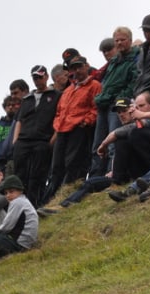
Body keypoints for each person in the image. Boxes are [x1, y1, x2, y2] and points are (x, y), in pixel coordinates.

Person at [43, 56, 101, 205]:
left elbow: (95, 108)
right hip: (62, 130)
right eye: (73, 68)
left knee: (72, 163)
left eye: (79, 67)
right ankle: (51, 198)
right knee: (56, 165)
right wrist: (57, 125)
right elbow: (59, 111)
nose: (77, 71)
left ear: (87, 66)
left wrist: (85, 121)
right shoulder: (68, 90)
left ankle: (66, 195)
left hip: (78, 129)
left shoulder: (94, 85)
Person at [91, 26, 140, 177]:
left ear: (130, 41)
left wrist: (119, 99)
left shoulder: (136, 57)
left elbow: (133, 82)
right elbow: (107, 84)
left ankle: (111, 174)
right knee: (98, 144)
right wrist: (100, 98)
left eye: (123, 40)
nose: (119, 43)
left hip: (117, 105)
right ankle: (95, 177)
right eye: (116, 40)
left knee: (113, 141)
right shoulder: (113, 61)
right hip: (104, 105)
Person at [12, 65, 60, 207]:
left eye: (40, 77)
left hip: (42, 141)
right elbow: (19, 120)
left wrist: (53, 138)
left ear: (46, 77)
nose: (37, 80)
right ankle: (18, 207)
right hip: (23, 141)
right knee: (19, 175)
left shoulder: (56, 96)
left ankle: (34, 206)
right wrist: (16, 139)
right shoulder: (27, 99)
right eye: (35, 77)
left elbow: (60, 117)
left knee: (37, 176)